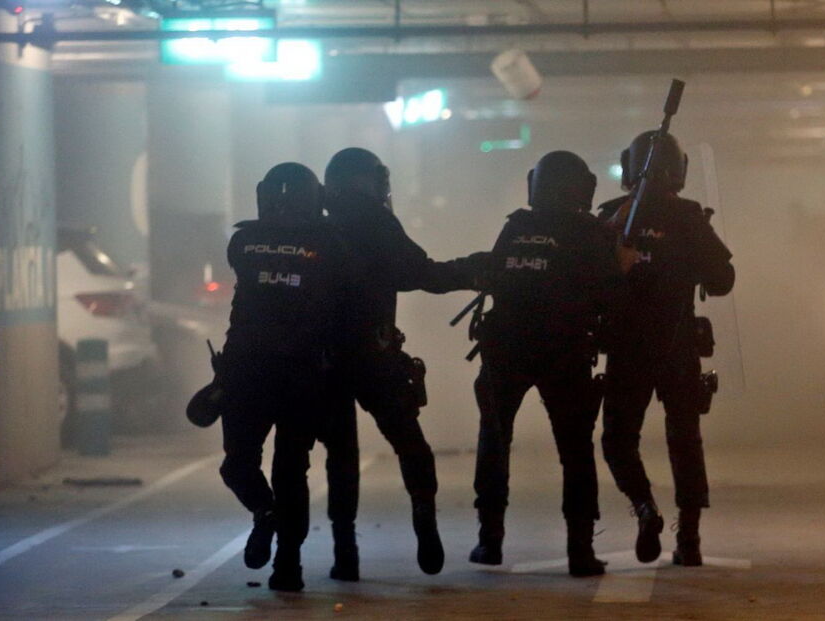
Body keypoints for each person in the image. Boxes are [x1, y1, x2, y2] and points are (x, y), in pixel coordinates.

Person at [322, 147, 481, 578]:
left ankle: (344, 552)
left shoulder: (317, 227)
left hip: (327, 361)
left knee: (341, 456)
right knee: (411, 444)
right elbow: (419, 274)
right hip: (376, 354)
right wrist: (474, 271)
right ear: (369, 182)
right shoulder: (377, 221)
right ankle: (424, 517)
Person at [469, 151, 623, 577]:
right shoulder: (590, 233)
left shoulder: (516, 227)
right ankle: (580, 550)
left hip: (505, 350)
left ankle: (489, 540)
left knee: (494, 443)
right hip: (565, 352)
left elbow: (493, 275)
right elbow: (612, 294)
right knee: (575, 451)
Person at [597, 131, 735, 567]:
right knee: (685, 441)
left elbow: (585, 279)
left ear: (627, 167)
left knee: (618, 440)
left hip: (626, 347)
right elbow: (722, 280)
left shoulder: (610, 218)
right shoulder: (688, 217)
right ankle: (689, 538)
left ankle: (644, 507)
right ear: (679, 170)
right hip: (677, 346)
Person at [217, 162, 355, 591]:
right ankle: (287, 563)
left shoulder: (243, 241)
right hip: (301, 373)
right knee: (291, 470)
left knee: (238, 464)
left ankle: (266, 515)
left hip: (246, 370)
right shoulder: (331, 243)